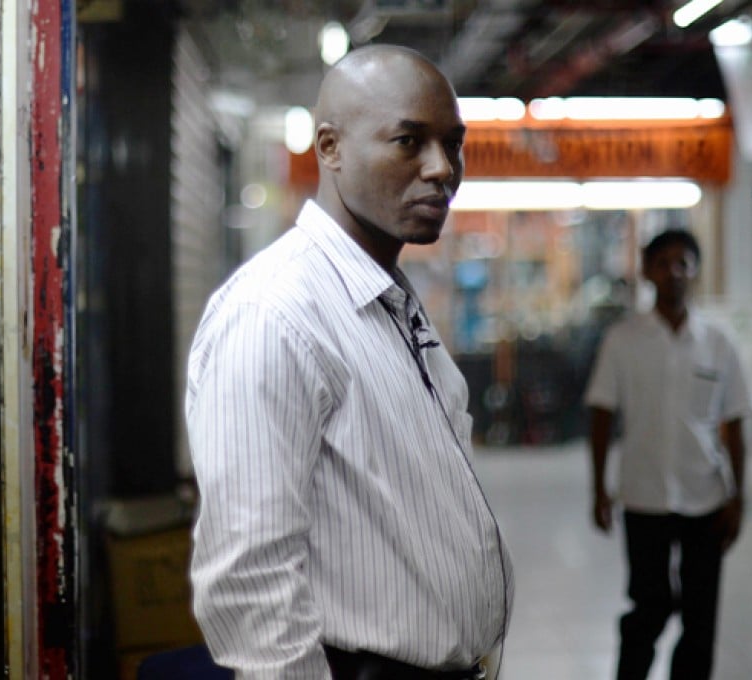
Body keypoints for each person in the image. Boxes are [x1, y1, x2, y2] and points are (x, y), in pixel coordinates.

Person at [185, 45, 513, 679]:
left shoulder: (385, 301)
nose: (442, 168)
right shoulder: (275, 315)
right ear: (329, 148)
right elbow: (249, 580)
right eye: (408, 142)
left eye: (453, 143)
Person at [584, 229, 752, 680]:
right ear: (647, 272)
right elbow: (601, 415)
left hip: (705, 498)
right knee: (650, 607)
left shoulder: (718, 343)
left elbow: (736, 421)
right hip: (644, 498)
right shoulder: (622, 341)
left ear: (695, 271)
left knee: (701, 621)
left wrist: (739, 496)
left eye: (684, 263)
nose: (675, 272)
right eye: (664, 263)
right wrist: (599, 488)